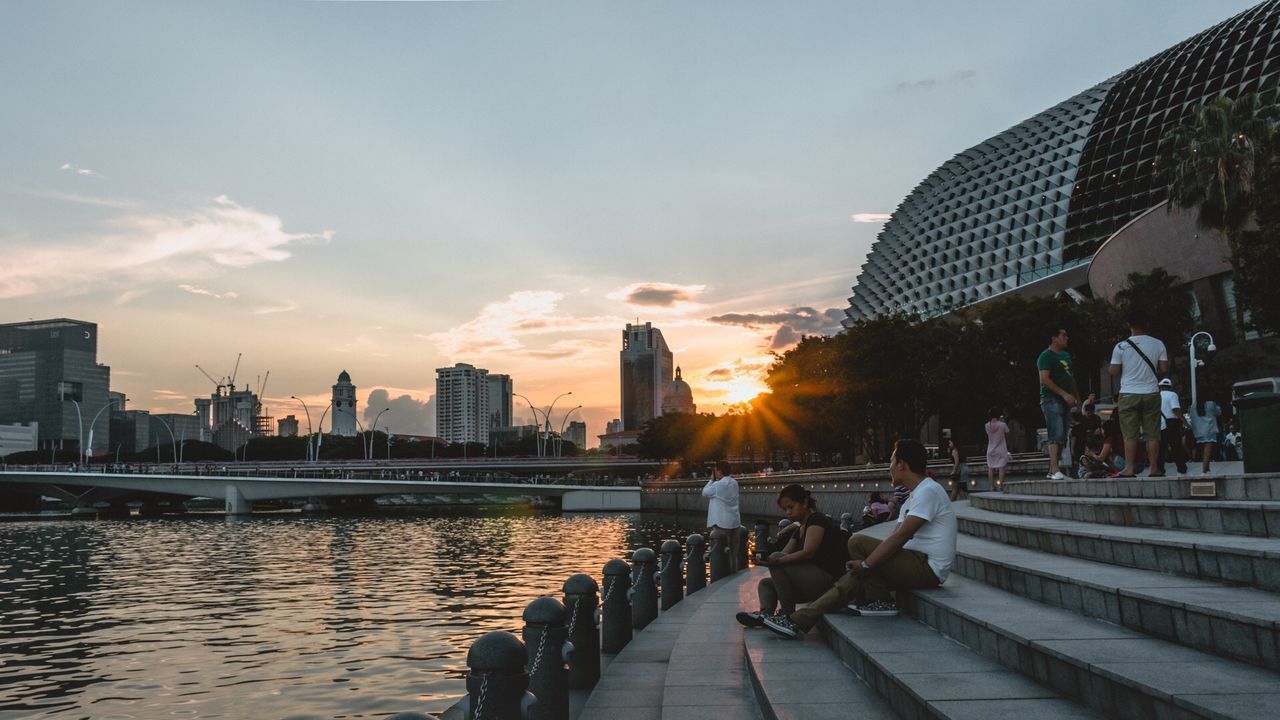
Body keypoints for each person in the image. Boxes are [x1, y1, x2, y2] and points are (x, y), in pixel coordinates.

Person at [761, 439, 957, 638]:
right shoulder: (912, 498)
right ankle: (801, 618)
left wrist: (866, 565)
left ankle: (798, 619)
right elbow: (894, 537)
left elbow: (901, 536)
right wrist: (865, 566)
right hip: (912, 560)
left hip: (928, 568)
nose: (889, 467)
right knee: (854, 573)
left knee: (857, 543)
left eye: (891, 461)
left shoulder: (929, 491)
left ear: (901, 464)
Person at [737, 484, 849, 628]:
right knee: (765, 584)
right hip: (809, 581)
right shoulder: (800, 527)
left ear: (804, 503)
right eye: (785, 509)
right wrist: (765, 561)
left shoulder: (817, 520)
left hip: (826, 580)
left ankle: (788, 617)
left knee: (778, 559)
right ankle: (765, 614)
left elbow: (808, 552)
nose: (788, 512)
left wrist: (777, 560)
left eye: (791, 507)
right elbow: (785, 553)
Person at [1109, 315, 1168, 477]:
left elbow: (1113, 371)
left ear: (1128, 324)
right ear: (1147, 324)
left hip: (1128, 394)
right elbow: (1163, 368)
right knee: (1153, 433)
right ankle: (1154, 468)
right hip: (1151, 393)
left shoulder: (1121, 346)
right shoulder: (1158, 343)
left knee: (1130, 434)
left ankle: (1128, 468)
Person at [1038, 328, 1079, 481]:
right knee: (1056, 432)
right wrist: (1064, 394)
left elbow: (1071, 377)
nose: (1067, 338)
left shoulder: (1066, 356)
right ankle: (1055, 469)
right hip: (1051, 398)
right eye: (1064, 335)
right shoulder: (1046, 356)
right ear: (1054, 338)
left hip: (1065, 399)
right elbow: (1045, 379)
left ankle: (1053, 469)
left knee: (1062, 435)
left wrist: (1077, 398)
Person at [703, 460, 742, 572]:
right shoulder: (734, 483)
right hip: (735, 523)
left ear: (719, 471)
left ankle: (722, 577)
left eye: (715, 470)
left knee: (720, 554)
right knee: (733, 553)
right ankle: (733, 575)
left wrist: (711, 480)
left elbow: (704, 492)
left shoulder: (717, 485)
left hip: (721, 524)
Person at [1158, 378, 1189, 475]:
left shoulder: (1156, 396)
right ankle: (1181, 468)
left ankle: (1160, 469)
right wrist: (1184, 421)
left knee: (1161, 448)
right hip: (1172, 422)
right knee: (1176, 446)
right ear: (1170, 387)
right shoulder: (1172, 395)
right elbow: (1175, 409)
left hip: (1159, 423)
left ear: (1160, 386)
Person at [1187, 395, 1223, 474]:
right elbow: (1218, 412)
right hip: (1209, 429)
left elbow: (1191, 417)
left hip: (1199, 431)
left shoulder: (1193, 406)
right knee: (1208, 450)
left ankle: (1208, 469)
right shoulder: (1211, 404)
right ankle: (1204, 470)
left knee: (1203, 450)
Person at [984, 408, 1010, 489]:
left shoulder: (987, 425)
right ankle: (1001, 485)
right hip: (1001, 449)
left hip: (990, 449)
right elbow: (1007, 435)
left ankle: (991, 486)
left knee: (990, 467)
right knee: (1001, 467)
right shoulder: (1003, 425)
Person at [941, 429, 968, 500]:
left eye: (950, 443)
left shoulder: (954, 451)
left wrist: (953, 471)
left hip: (959, 470)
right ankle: (964, 500)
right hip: (963, 468)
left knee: (955, 487)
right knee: (960, 488)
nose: (949, 445)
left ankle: (952, 502)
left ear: (954, 443)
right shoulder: (958, 450)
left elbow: (956, 462)